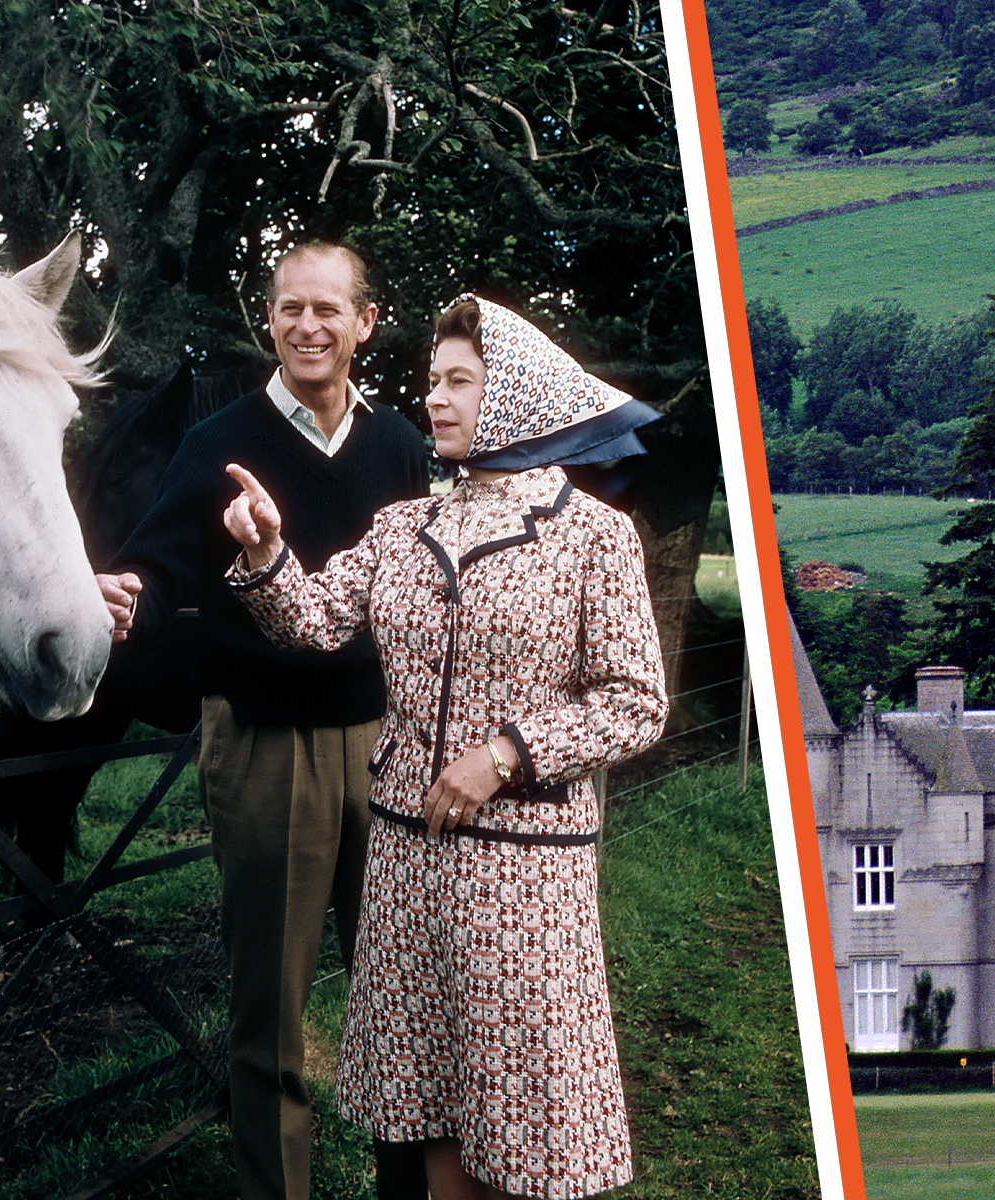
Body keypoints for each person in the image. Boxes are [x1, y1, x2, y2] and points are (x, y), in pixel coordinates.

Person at [219, 294, 666, 1200]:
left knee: (525, 1116)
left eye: (462, 381)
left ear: (517, 393)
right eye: (431, 382)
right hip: (407, 861)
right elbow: (310, 622)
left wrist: (504, 754)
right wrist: (268, 554)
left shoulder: (593, 537)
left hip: (525, 874)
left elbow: (635, 703)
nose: (437, 399)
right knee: (432, 1104)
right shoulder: (400, 527)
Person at [96, 243, 429, 1200]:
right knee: (271, 1014)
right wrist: (129, 595)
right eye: (289, 309)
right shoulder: (220, 444)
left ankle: (403, 1185)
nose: (307, 327)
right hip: (266, 748)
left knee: (395, 999)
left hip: (388, 747)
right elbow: (157, 568)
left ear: (365, 324)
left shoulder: (401, 446)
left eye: (328, 309)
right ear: (270, 320)